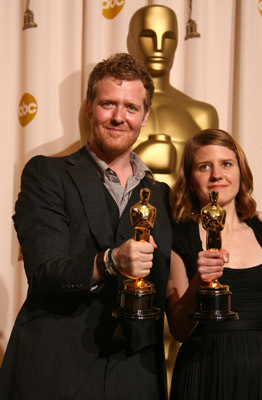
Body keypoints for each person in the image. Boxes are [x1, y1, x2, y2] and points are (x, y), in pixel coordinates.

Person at [0, 53, 172, 400]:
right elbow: (45, 272)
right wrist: (110, 261)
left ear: (145, 116)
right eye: (108, 103)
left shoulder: (163, 195)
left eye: (131, 107)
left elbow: (210, 232)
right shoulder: (47, 175)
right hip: (56, 370)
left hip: (136, 375)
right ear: (88, 108)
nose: (119, 117)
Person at [166, 129, 262, 400]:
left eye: (226, 164)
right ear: (190, 180)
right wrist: (200, 282)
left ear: (240, 172)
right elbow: (179, 330)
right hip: (204, 373)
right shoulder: (179, 237)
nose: (216, 175)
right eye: (203, 166)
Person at [80, 5, 219, 187]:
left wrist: (245, 214)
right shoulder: (100, 108)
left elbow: (214, 182)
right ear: (131, 41)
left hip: (180, 214)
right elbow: (90, 174)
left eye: (168, 37)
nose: (159, 47)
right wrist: (144, 156)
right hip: (117, 211)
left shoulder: (202, 114)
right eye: (148, 35)